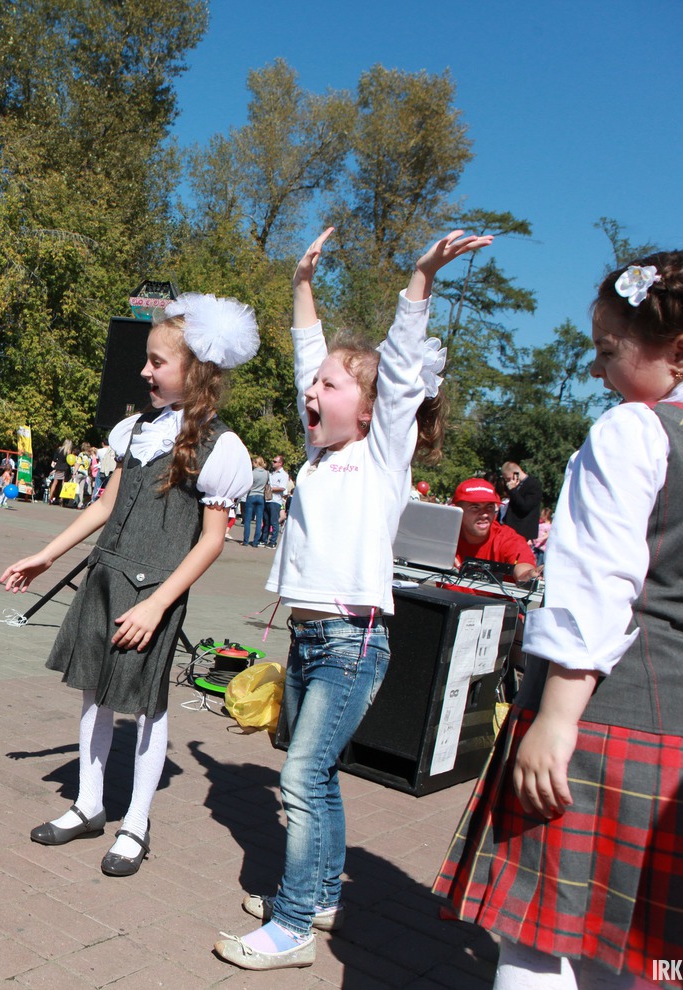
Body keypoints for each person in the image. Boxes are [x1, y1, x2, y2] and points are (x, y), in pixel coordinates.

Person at [436, 249, 683, 990]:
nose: (596, 372)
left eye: (606, 351)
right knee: (655, 956)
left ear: (682, 354)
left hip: (602, 721)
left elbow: (595, 585)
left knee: (539, 940)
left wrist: (554, 720)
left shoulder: (635, 430)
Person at [214, 227, 488, 971]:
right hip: (311, 639)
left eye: (330, 386)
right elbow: (309, 352)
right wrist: (301, 284)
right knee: (319, 774)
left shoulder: (380, 455)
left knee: (299, 778)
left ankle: (295, 922)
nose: (312, 391)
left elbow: (398, 368)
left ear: (370, 409)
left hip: (351, 640)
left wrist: (419, 279)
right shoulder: (317, 454)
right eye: (312, 386)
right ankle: (325, 890)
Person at [3, 292, 257, 878]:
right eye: (147, 360)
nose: (144, 371)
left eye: (157, 362)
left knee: (146, 707)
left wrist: (159, 604)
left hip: (154, 595)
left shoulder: (222, 447)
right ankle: (89, 804)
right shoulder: (136, 429)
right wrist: (46, 555)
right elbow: (106, 505)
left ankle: (135, 822)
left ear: (194, 372)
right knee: (92, 693)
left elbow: (212, 540)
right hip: (105, 579)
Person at [451, 477, 538, 585]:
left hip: (496, 602)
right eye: (475, 507)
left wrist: (528, 575)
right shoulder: (444, 534)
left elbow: (523, 569)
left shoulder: (506, 538)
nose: (484, 514)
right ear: (457, 510)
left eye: (490, 507)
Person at [499, 460, 542, 543]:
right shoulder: (517, 485)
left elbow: (525, 506)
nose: (508, 482)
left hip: (523, 532)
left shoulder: (532, 485)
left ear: (515, 474)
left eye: (508, 478)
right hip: (511, 530)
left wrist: (513, 491)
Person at [262, 454, 290, 547]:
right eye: (273, 461)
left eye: (275, 461)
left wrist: (270, 489)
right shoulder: (271, 473)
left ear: (280, 463)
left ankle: (273, 541)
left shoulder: (284, 475)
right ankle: (263, 539)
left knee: (274, 522)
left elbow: (282, 487)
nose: (272, 463)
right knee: (266, 521)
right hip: (267, 499)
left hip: (276, 500)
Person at [242, 455, 267, 546]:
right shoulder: (266, 473)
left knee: (248, 520)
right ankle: (255, 542)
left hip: (251, 495)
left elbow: (248, 484)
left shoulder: (252, 473)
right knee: (259, 520)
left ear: (256, 463)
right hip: (261, 496)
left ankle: (245, 541)